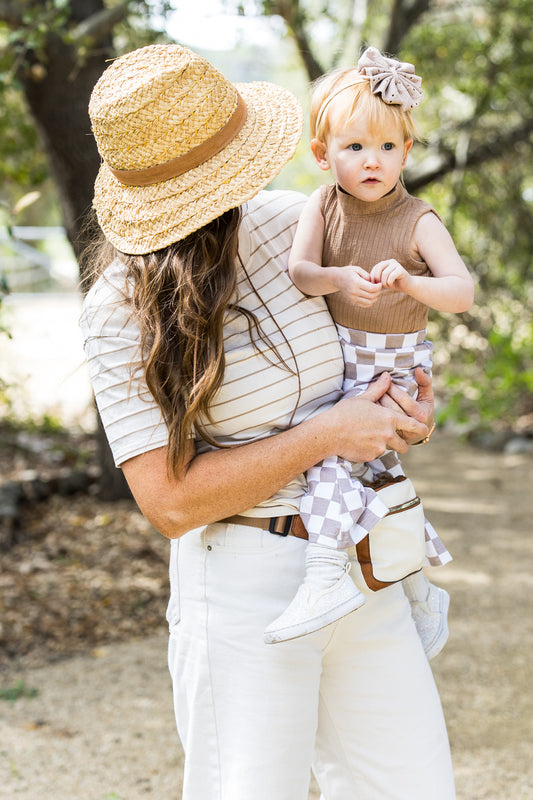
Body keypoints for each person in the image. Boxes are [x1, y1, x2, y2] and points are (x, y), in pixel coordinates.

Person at [81, 43, 456, 800]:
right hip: (245, 588)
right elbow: (170, 503)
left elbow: (377, 363)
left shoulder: (302, 223)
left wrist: (408, 413)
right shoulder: (117, 310)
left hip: (357, 562)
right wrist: (327, 435)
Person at [264, 47, 474, 653]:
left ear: (407, 152)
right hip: (343, 358)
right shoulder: (322, 205)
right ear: (322, 154)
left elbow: (459, 292)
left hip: (394, 362)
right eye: (354, 148)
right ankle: (418, 591)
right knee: (375, 476)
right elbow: (302, 271)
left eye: (386, 147)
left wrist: (410, 282)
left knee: (331, 455)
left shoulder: (417, 220)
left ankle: (324, 574)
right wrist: (336, 278)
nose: (372, 161)